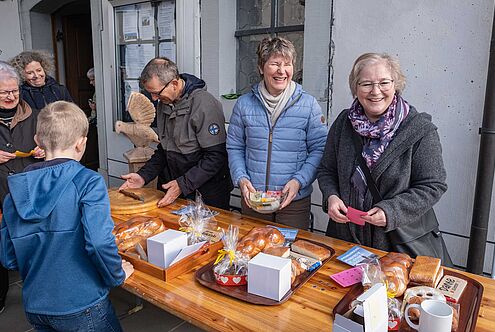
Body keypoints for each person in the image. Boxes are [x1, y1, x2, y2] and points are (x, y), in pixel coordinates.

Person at [0, 101, 133, 331]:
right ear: (81, 144)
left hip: (36, 304)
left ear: (37, 141)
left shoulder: (14, 192)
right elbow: (99, 242)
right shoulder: (89, 182)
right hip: (83, 303)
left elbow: (8, 257)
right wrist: (116, 275)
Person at [317, 52, 448, 252]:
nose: (375, 91)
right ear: (356, 88)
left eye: (384, 83)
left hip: (394, 246)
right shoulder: (344, 123)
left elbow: (433, 185)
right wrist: (331, 197)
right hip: (344, 239)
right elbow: (327, 170)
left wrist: (391, 211)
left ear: (396, 85)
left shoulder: (420, 129)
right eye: (366, 84)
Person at [227, 37, 327, 230]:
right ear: (261, 67)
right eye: (274, 64)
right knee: (253, 251)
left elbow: (319, 149)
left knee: (288, 255)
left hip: (293, 201)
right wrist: (241, 178)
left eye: (287, 64)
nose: (282, 71)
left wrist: (299, 181)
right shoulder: (244, 104)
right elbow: (235, 147)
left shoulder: (308, 105)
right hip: (253, 198)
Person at [119, 57, 233, 209]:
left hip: (207, 195)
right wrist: (142, 176)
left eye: (157, 93)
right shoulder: (164, 103)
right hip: (174, 189)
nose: (154, 99)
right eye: (151, 94)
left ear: (174, 83)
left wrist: (182, 184)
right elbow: (163, 151)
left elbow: (216, 157)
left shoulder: (205, 104)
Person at [0, 61, 45, 314]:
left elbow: (54, 145)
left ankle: (38, 292)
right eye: (4, 92)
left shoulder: (36, 116)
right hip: (0, 194)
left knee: (33, 246)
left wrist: (45, 149)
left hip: (30, 194)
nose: (11, 96)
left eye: (15, 91)